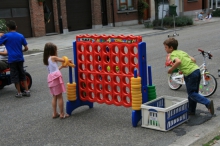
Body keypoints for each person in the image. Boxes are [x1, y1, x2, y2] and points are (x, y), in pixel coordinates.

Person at [163, 38, 214, 116]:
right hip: (196, 70)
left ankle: (207, 103)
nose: (165, 49)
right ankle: (191, 111)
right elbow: (193, 60)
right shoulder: (181, 52)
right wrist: (182, 68)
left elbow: (178, 62)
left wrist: (171, 70)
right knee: (194, 93)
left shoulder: (173, 54)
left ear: (171, 48)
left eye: (166, 47)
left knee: (191, 93)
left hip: (190, 74)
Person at [0, 20, 30, 98]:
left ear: (8, 28)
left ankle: (19, 93)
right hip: (20, 58)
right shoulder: (20, 35)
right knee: (22, 74)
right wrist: (21, 50)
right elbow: (26, 48)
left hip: (12, 59)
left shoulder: (6, 36)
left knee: (15, 75)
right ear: (16, 27)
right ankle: (27, 91)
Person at [43, 42, 72, 119]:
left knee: (54, 96)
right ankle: (62, 114)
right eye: (56, 50)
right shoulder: (53, 57)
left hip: (51, 78)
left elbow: (54, 70)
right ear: (52, 51)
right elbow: (63, 59)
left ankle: (55, 113)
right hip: (56, 79)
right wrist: (69, 60)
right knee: (60, 96)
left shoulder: (47, 60)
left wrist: (62, 67)